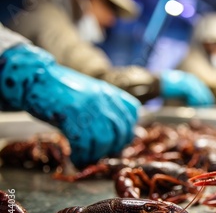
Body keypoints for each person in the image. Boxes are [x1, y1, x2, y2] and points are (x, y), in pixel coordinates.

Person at [7, 0, 214, 106]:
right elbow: (97, 75)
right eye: (107, 6)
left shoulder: (46, 14)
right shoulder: (47, 20)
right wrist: (157, 83)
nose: (110, 20)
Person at [0, 24, 139, 167]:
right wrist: (29, 74)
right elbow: (75, 55)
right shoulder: (43, 11)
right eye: (110, 9)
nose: (111, 19)